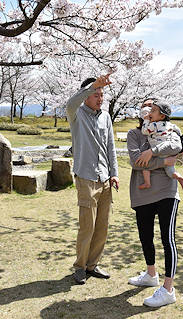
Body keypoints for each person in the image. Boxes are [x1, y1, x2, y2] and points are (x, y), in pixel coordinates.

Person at [127, 97, 182, 307]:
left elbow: (175, 150)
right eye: (144, 106)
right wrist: (163, 160)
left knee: (167, 239)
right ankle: (151, 275)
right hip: (142, 194)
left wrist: (151, 153)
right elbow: (135, 161)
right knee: (145, 236)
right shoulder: (134, 134)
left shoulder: (170, 128)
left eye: (152, 107)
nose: (148, 110)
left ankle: (168, 289)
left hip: (167, 189)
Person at [66, 73, 119, 285]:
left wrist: (114, 173)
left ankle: (92, 264)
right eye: (95, 94)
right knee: (87, 226)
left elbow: (110, 147)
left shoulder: (105, 117)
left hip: (104, 178)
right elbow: (71, 101)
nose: (100, 98)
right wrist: (92, 86)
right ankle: (79, 266)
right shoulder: (76, 113)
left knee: (102, 226)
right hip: (86, 177)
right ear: (86, 95)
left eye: (102, 94)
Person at [139, 100, 183, 191]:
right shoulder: (170, 125)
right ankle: (178, 176)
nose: (149, 112)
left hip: (155, 150)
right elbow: (177, 130)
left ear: (162, 116)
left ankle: (147, 182)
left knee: (146, 166)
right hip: (167, 152)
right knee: (170, 170)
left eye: (153, 111)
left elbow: (144, 131)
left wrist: (146, 120)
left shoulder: (154, 125)